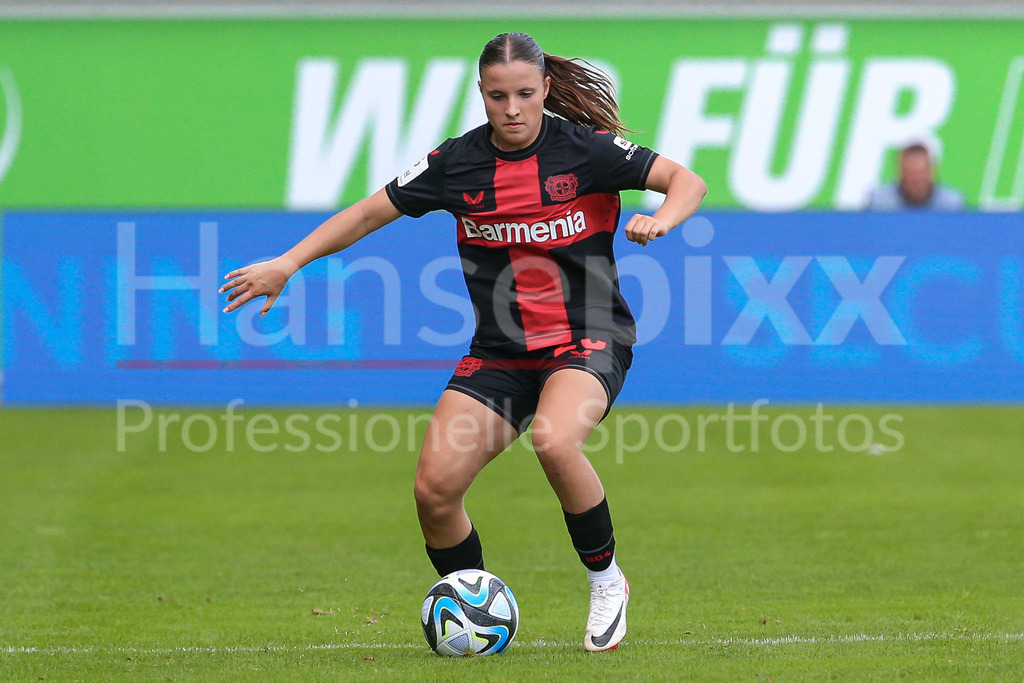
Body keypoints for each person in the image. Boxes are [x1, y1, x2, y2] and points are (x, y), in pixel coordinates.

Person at [220, 32, 706, 652]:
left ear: (546, 90)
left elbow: (685, 180)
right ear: (481, 93)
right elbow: (371, 212)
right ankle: (471, 608)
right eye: (498, 95)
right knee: (434, 490)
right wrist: (289, 263)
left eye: (525, 94)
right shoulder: (456, 162)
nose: (512, 109)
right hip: (501, 352)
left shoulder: (588, 150)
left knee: (556, 441)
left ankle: (607, 581)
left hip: (588, 337)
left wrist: (662, 216)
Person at [865, 142, 964, 211]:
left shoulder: (951, 203)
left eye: (920, 173)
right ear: (900, 171)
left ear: (932, 171)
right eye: (911, 173)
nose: (916, 179)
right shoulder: (880, 202)